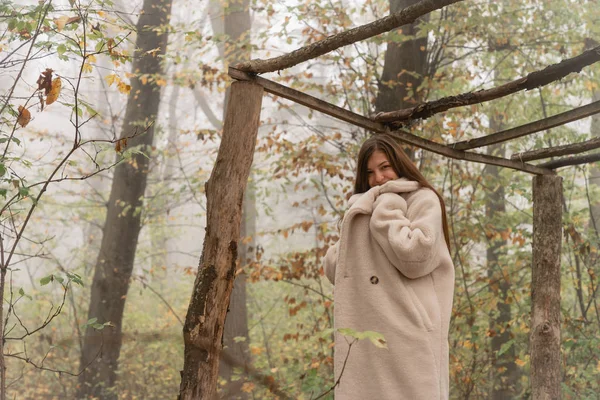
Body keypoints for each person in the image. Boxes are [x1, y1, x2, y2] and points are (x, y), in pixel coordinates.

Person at [324, 133, 454, 400]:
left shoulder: (422, 199)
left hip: (409, 328)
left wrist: (387, 207)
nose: (379, 178)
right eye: (370, 172)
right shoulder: (363, 208)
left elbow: (415, 258)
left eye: (385, 167)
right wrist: (353, 225)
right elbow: (337, 271)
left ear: (399, 164)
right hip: (369, 333)